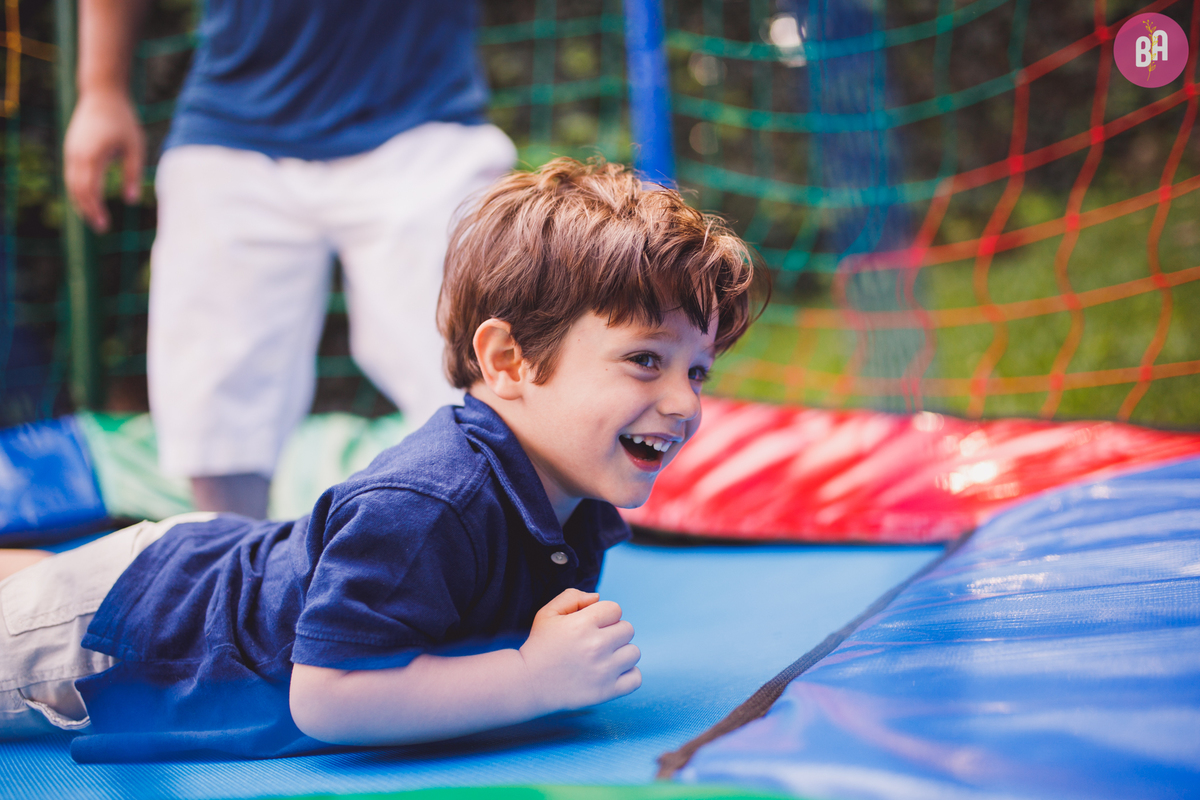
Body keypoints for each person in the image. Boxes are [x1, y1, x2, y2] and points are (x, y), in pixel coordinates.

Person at [0, 159, 761, 761]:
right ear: (509, 361)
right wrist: (534, 677)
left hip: (202, 559)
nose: (686, 403)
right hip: (130, 626)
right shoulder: (434, 501)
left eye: (696, 371)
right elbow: (328, 695)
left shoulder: (571, 495)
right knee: (36, 610)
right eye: (643, 360)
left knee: (48, 577)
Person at [63, 0, 516, 518]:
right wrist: (101, 90)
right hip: (232, 125)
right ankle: (232, 566)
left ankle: (500, 566)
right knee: (210, 399)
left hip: (424, 118)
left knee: (477, 374)